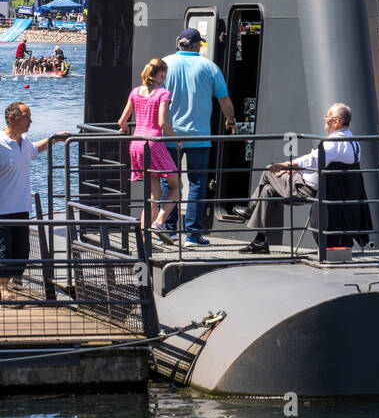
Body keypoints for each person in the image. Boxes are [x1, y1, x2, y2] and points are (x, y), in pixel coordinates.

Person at [232, 102, 359, 254]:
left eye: (328, 116)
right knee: (268, 190)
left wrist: (286, 166)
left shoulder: (333, 144)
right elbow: (318, 163)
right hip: (325, 189)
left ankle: (251, 210)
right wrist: (295, 171)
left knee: (268, 171)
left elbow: (312, 160)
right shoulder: (354, 143)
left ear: (336, 121)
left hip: (306, 189)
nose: (325, 119)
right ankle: (260, 241)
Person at [0, 102, 69, 305]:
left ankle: (1, 287)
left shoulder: (23, 142)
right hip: (0, 210)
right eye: (26, 117)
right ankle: (5, 290)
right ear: (12, 118)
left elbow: (35, 149)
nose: (30, 121)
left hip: (22, 208)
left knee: (21, 252)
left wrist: (54, 139)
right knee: (2, 250)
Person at [162, 28, 236, 246]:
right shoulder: (210, 67)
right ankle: (193, 235)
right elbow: (225, 101)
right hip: (199, 136)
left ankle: (169, 229)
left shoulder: (165, 64)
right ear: (197, 46)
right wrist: (231, 122)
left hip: (169, 136)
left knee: (170, 182)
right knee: (196, 184)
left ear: (179, 44)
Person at [117, 58, 180, 244]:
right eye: (164, 74)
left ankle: (143, 238)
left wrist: (126, 128)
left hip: (136, 143)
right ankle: (159, 223)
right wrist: (177, 138)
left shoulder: (136, 92)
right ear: (161, 74)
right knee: (177, 187)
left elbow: (122, 121)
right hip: (153, 143)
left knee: (154, 194)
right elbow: (162, 123)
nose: (165, 77)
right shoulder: (163, 93)